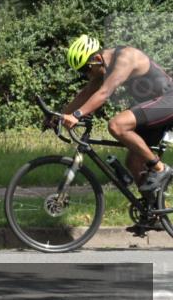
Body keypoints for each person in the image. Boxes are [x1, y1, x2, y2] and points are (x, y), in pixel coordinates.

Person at [58, 35, 173, 209]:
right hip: (151, 107)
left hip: (167, 101)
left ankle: (160, 168)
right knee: (134, 163)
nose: (86, 74)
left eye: (86, 69)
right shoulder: (100, 66)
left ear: (97, 59)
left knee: (117, 125)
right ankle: (154, 212)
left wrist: (77, 115)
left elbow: (104, 93)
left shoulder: (125, 58)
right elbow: (87, 92)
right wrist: (58, 117)